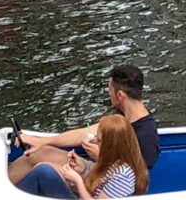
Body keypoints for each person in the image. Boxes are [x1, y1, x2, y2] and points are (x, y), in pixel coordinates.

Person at [9, 64, 160, 187]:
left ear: (120, 95)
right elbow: (84, 132)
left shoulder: (146, 136)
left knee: (45, 171)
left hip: (103, 184)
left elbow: (133, 183)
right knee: (36, 154)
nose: (109, 93)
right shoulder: (120, 115)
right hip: (96, 168)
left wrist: (100, 157)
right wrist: (42, 141)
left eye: (110, 89)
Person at [16, 113, 148, 199]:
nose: (95, 141)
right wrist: (81, 168)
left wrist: (77, 180)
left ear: (110, 145)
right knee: (45, 169)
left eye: (99, 140)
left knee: (44, 171)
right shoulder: (112, 162)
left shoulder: (123, 174)